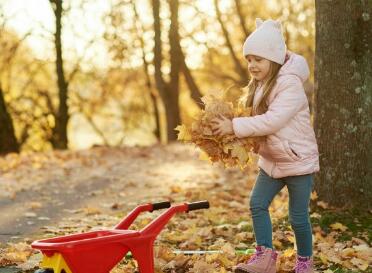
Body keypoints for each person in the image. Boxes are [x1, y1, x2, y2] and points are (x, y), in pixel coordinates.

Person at [211, 18, 319, 273]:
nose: (252, 65)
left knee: (298, 218)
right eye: (249, 59)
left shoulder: (290, 84)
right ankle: (265, 257)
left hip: (297, 161)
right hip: (272, 161)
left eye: (258, 59)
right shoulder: (259, 85)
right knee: (257, 204)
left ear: (274, 58)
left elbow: (273, 121)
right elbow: (255, 121)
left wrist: (234, 126)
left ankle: (305, 263)